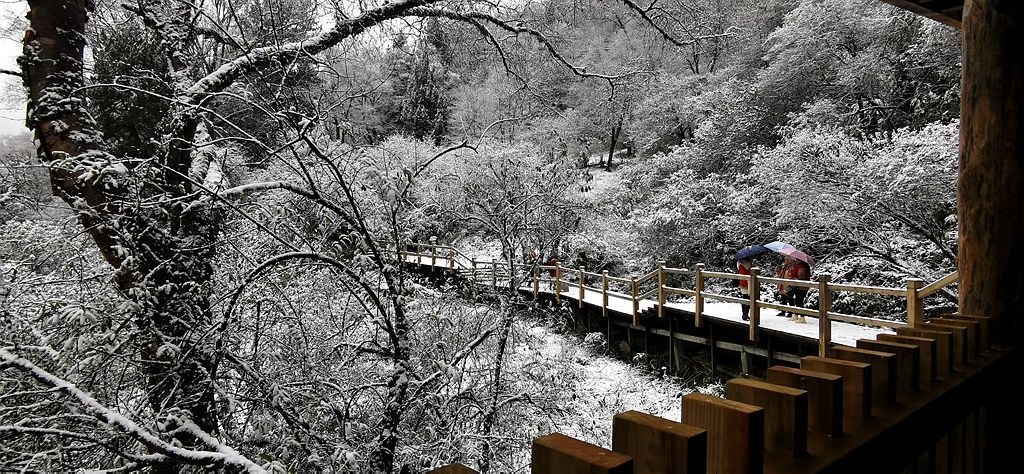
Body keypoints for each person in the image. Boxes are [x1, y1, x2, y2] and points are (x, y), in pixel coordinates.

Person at [777, 256, 811, 322]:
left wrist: (793, 278)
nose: (797, 260)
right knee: (797, 301)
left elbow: (801, 278)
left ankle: (802, 317)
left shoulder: (802, 267)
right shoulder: (798, 266)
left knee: (799, 301)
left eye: (798, 259)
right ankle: (795, 315)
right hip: (797, 286)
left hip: (801, 287)